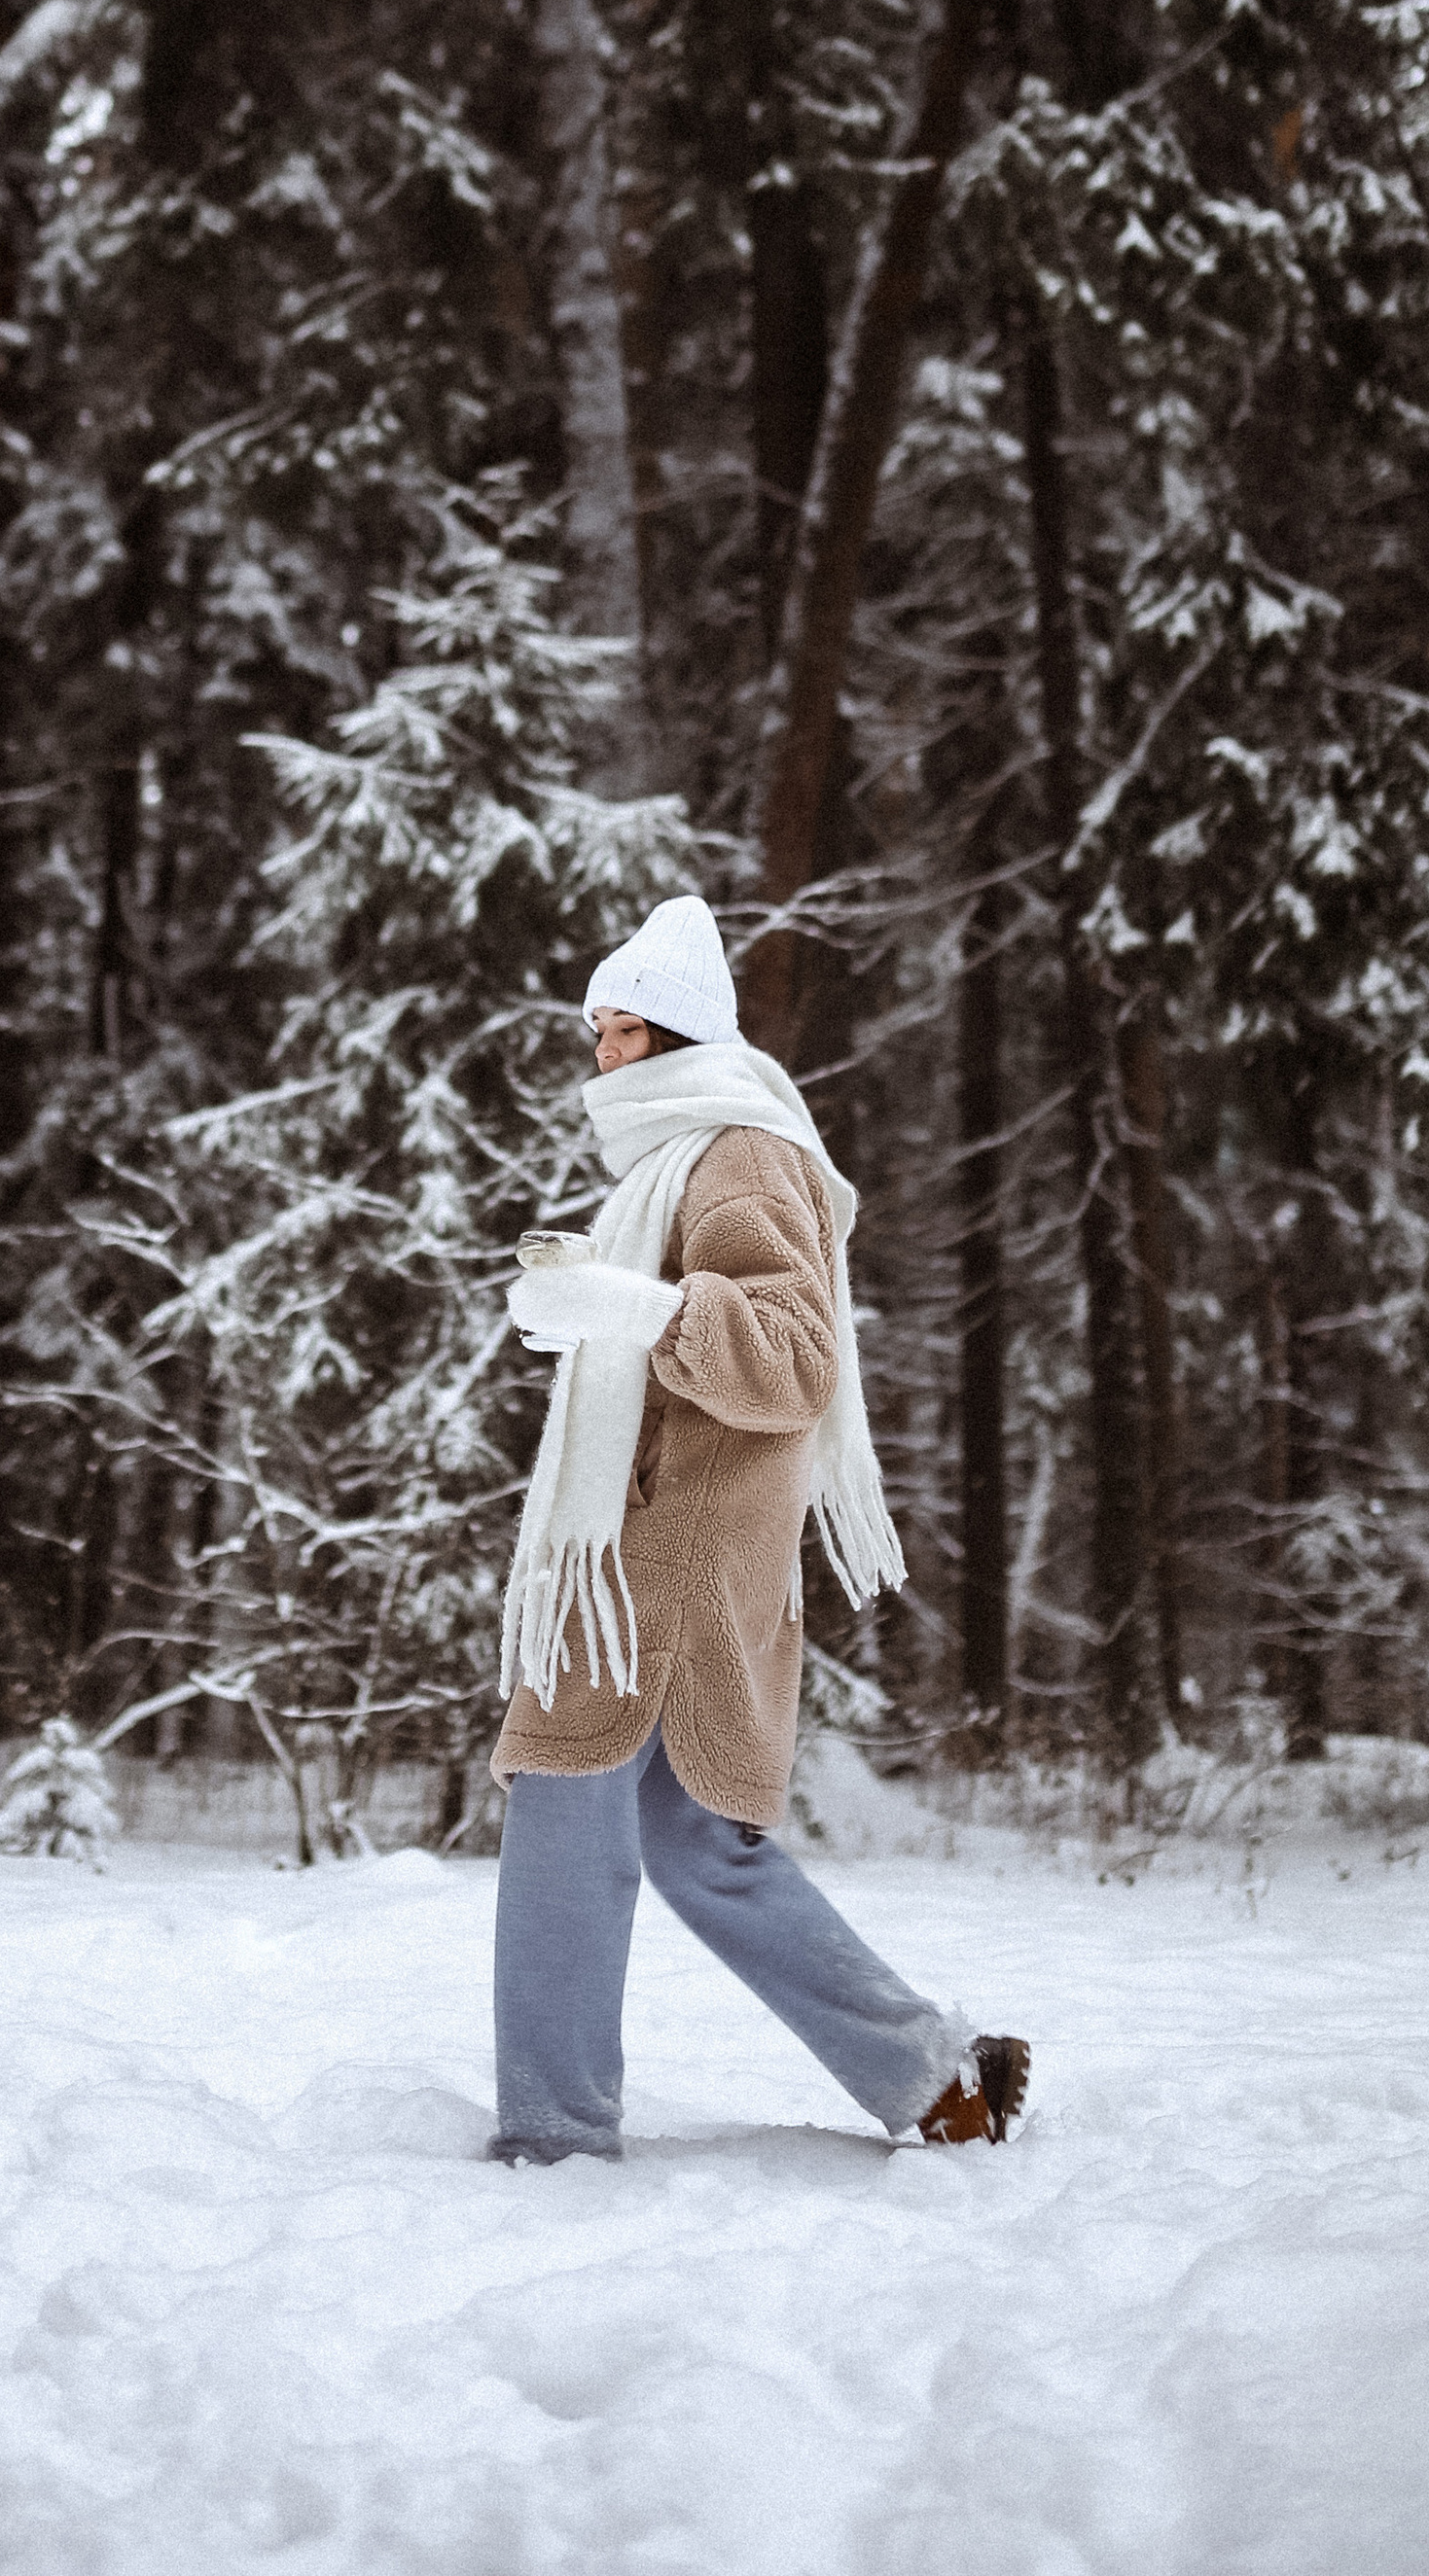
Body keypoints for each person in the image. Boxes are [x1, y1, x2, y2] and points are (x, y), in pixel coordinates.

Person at [487, 894, 1029, 2165]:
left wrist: (632, 1311)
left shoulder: (737, 1151)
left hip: (652, 1563)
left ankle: (554, 2140)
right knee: (697, 1842)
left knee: (567, 1796)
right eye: (597, 1029)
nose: (601, 1055)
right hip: (682, 1548)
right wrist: (618, 1302)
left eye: (623, 1031)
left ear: (677, 1038)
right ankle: (941, 2079)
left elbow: (791, 1356)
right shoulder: (698, 1157)